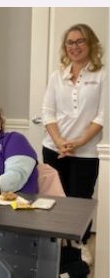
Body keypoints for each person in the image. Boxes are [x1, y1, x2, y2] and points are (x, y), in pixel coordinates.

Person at [41, 24, 105, 241]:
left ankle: (79, 246)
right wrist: (59, 141)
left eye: (80, 41)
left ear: (91, 44)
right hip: (54, 148)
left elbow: (102, 116)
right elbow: (48, 112)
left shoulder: (103, 75)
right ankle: (58, 246)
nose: (75, 46)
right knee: (56, 199)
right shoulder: (57, 76)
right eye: (70, 42)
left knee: (80, 202)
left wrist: (78, 142)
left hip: (86, 151)